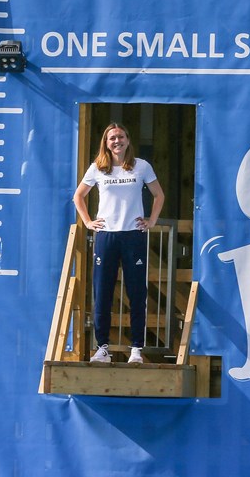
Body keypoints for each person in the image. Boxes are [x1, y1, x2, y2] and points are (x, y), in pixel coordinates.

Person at [72, 122, 165, 365]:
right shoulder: (98, 168)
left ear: (127, 140)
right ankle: (102, 348)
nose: (117, 141)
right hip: (107, 236)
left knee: (137, 292)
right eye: (112, 138)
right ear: (106, 142)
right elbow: (78, 196)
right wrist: (89, 222)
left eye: (121, 137)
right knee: (102, 292)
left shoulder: (141, 166)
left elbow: (159, 195)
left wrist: (151, 221)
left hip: (133, 235)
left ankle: (136, 349)